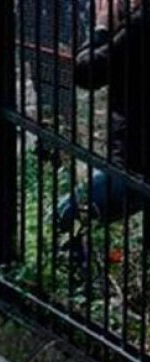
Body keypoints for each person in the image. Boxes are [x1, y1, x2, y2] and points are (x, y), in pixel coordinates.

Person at [55, 0, 149, 269]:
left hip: (135, 168)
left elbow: (87, 72)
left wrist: (102, 27)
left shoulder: (140, 26)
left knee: (67, 214)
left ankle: (76, 284)